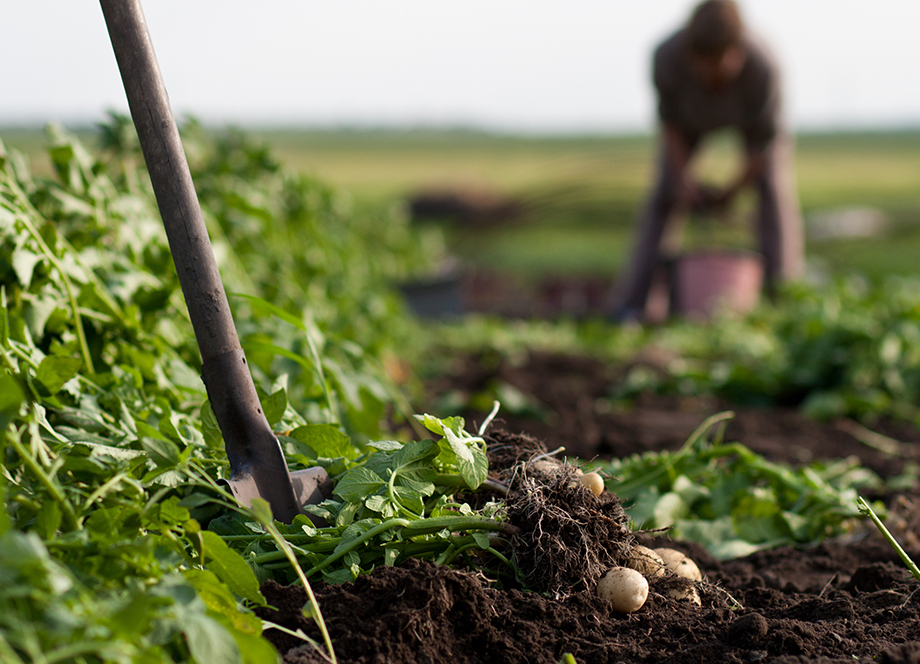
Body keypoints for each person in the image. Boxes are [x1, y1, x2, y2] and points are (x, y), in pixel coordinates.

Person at [614, 0, 804, 321]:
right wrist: (682, 179)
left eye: (720, 64)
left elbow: (764, 144)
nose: (710, 73)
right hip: (689, 122)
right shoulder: (666, 57)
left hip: (752, 127)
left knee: (773, 191)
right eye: (702, 64)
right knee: (664, 195)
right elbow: (670, 125)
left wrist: (732, 190)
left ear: (738, 49)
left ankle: (782, 296)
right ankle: (634, 303)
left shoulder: (763, 65)